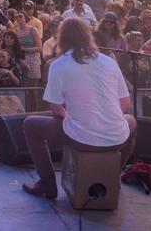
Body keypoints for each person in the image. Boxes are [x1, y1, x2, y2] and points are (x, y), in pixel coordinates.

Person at [21, 18, 137, 200]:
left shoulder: (58, 65)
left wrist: (73, 118)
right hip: (117, 139)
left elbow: (56, 109)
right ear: (87, 36)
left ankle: (47, 183)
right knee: (132, 122)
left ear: (62, 38)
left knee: (30, 125)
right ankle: (114, 174)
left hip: (81, 138)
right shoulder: (109, 62)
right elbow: (125, 105)